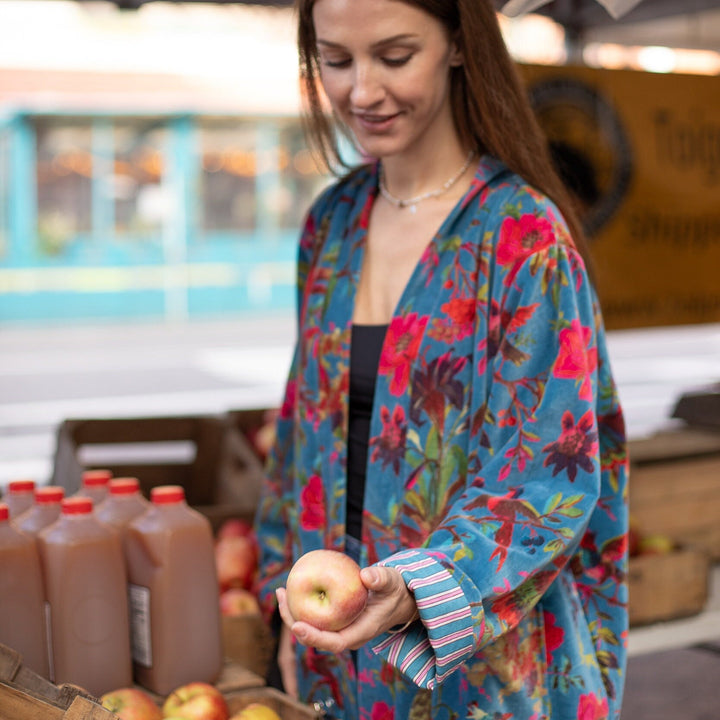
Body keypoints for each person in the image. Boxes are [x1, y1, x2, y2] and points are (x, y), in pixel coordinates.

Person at [253, 0, 629, 718]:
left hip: (486, 677)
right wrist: (283, 613)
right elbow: (301, 438)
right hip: (337, 659)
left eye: (395, 57)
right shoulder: (331, 225)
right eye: (336, 60)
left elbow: (551, 474)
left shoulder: (523, 238)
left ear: (459, 44)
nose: (362, 91)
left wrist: (425, 585)